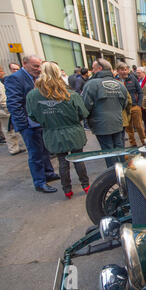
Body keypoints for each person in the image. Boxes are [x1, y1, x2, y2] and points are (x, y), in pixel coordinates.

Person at [26, 62, 90, 199]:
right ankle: (86, 185)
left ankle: (67, 189)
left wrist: (47, 120)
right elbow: (83, 113)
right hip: (73, 131)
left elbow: (32, 115)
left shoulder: (33, 96)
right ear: (59, 73)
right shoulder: (70, 94)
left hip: (53, 133)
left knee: (62, 161)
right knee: (78, 159)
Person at [4, 55, 59, 193]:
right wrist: (24, 125)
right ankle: (40, 182)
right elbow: (14, 104)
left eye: (39, 66)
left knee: (44, 150)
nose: (38, 69)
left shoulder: (37, 78)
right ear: (25, 63)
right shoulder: (15, 78)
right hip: (29, 124)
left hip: (40, 122)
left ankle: (48, 173)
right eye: (35, 66)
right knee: (35, 154)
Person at [81, 58, 128, 168]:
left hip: (101, 125)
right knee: (119, 149)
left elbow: (85, 106)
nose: (91, 71)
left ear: (100, 68)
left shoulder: (91, 84)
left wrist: (88, 119)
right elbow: (124, 104)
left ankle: (113, 177)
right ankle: (123, 174)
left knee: (108, 151)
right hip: (117, 122)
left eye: (93, 68)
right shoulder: (120, 84)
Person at [116, 62, 146, 147]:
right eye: (122, 70)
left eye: (126, 69)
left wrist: (139, 105)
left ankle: (145, 143)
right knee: (128, 129)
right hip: (124, 109)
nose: (125, 71)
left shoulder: (133, 79)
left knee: (139, 126)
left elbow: (140, 92)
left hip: (135, 106)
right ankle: (133, 144)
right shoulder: (115, 81)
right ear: (118, 71)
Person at [0, 67, 26, 155]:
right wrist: (7, 109)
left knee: (8, 130)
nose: (3, 72)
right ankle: (14, 148)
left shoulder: (4, 81)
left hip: (4, 110)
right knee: (9, 130)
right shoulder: (2, 83)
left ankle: (14, 148)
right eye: (1, 71)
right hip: (5, 111)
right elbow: (3, 99)